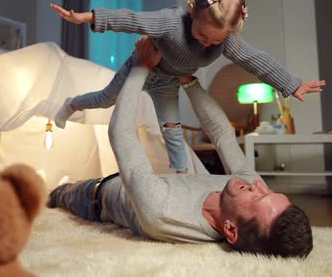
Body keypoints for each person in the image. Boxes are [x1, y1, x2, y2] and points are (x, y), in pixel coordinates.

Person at [48, 36, 313, 258]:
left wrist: (141, 65)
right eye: (268, 190)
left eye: (257, 197)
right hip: (146, 181)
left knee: (58, 196)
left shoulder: (162, 212)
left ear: (231, 230)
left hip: (96, 196)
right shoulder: (250, 189)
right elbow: (223, 134)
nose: (257, 185)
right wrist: (187, 77)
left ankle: (58, 192)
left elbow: (120, 132)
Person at [51, 0, 325, 174]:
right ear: (192, 10)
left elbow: (256, 60)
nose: (207, 44)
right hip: (143, 65)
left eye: (214, 40)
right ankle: (72, 104)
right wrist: (87, 18)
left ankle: (182, 175)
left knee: (172, 127)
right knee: (105, 99)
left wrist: (291, 84)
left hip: (170, 80)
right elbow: (132, 19)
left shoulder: (223, 41)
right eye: (202, 35)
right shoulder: (171, 21)